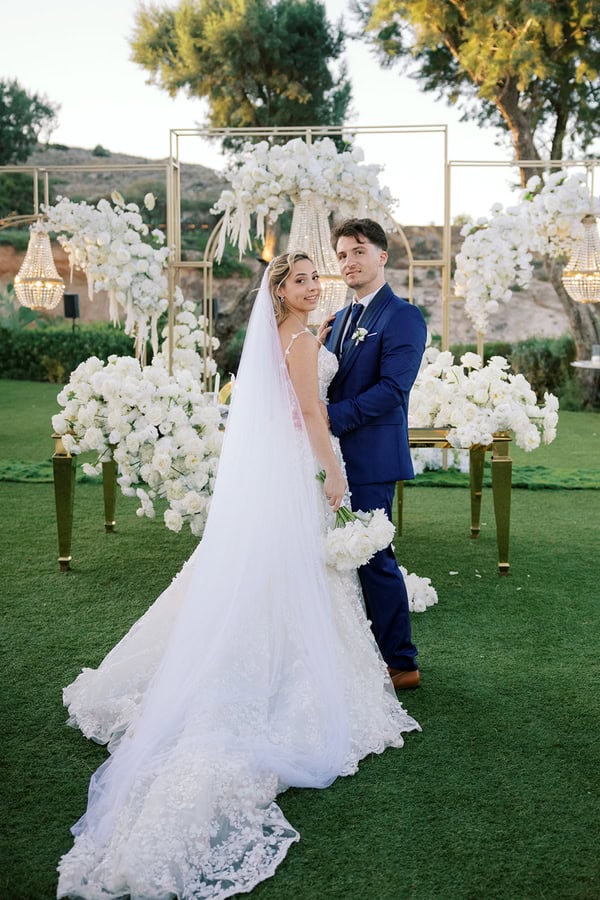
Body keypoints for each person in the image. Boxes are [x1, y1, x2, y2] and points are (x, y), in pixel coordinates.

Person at [57, 252, 419, 900]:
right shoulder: (304, 339)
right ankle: (289, 675)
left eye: (316, 279)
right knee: (303, 574)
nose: (313, 287)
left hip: (271, 470)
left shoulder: (286, 334)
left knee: (274, 573)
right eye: (300, 280)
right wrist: (332, 474)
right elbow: (311, 414)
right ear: (278, 292)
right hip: (307, 462)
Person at [321, 219, 427, 690]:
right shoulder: (339, 320)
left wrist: (330, 417)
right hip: (330, 460)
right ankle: (347, 652)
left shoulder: (402, 315)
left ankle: (401, 663)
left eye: (358, 251)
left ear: (381, 256)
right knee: (334, 555)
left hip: (369, 456)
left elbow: (392, 389)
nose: (349, 262)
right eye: (342, 255)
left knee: (373, 555)